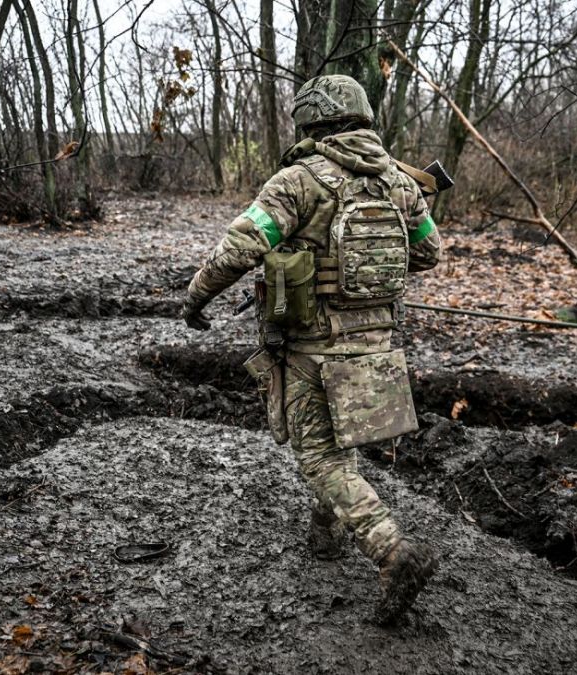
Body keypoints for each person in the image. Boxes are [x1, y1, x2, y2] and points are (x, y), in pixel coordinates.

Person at [181, 74, 442, 625]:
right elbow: (430, 253)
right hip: (377, 340)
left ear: (310, 120)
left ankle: (393, 551)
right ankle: (325, 533)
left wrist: (195, 297)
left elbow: (239, 247)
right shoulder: (401, 184)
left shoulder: (298, 181)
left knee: (319, 454)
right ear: (364, 117)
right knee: (341, 444)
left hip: (313, 346)